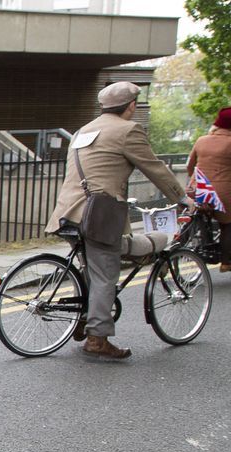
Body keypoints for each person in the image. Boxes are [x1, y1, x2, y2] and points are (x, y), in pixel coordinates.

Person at [46, 81, 192, 360]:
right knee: (105, 277)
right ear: (132, 106)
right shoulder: (128, 130)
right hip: (98, 216)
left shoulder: (83, 131)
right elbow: (154, 168)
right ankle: (97, 339)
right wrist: (182, 198)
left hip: (68, 211)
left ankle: (85, 317)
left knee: (94, 267)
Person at [186, 106, 231, 273]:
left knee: (200, 214)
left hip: (198, 189)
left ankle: (200, 243)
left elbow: (190, 166)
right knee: (227, 224)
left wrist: (193, 181)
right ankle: (226, 262)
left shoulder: (201, 140)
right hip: (223, 192)